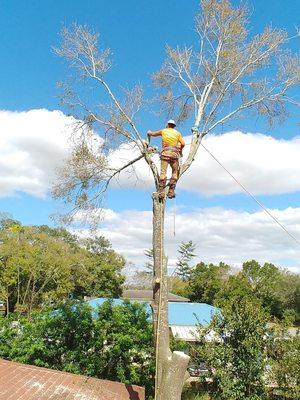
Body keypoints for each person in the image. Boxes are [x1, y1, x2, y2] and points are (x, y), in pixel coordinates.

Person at [147, 119, 185, 199]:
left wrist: (149, 132)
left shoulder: (164, 131)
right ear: (174, 126)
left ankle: (161, 192)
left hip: (165, 154)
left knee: (163, 172)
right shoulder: (177, 133)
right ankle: (171, 191)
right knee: (175, 172)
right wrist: (180, 150)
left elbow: (153, 134)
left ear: (168, 124)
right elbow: (183, 144)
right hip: (174, 155)